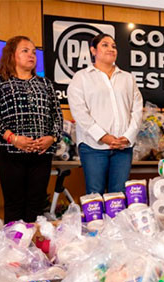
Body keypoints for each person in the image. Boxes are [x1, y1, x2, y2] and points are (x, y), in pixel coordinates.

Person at [0, 35, 63, 223]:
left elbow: (57, 115)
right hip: (11, 153)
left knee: (36, 204)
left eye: (34, 52)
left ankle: (33, 249)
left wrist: (52, 137)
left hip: (41, 153)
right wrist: (13, 138)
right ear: (12, 55)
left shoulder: (45, 84)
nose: (31, 55)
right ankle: (14, 249)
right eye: (25, 51)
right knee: (14, 204)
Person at [68, 33, 143, 195]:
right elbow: (80, 113)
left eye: (114, 46)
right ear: (93, 50)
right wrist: (103, 136)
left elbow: (137, 110)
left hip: (123, 147)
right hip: (93, 147)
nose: (111, 49)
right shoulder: (81, 78)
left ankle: (117, 222)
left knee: (119, 195)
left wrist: (128, 136)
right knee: (95, 194)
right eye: (105, 45)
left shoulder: (128, 78)